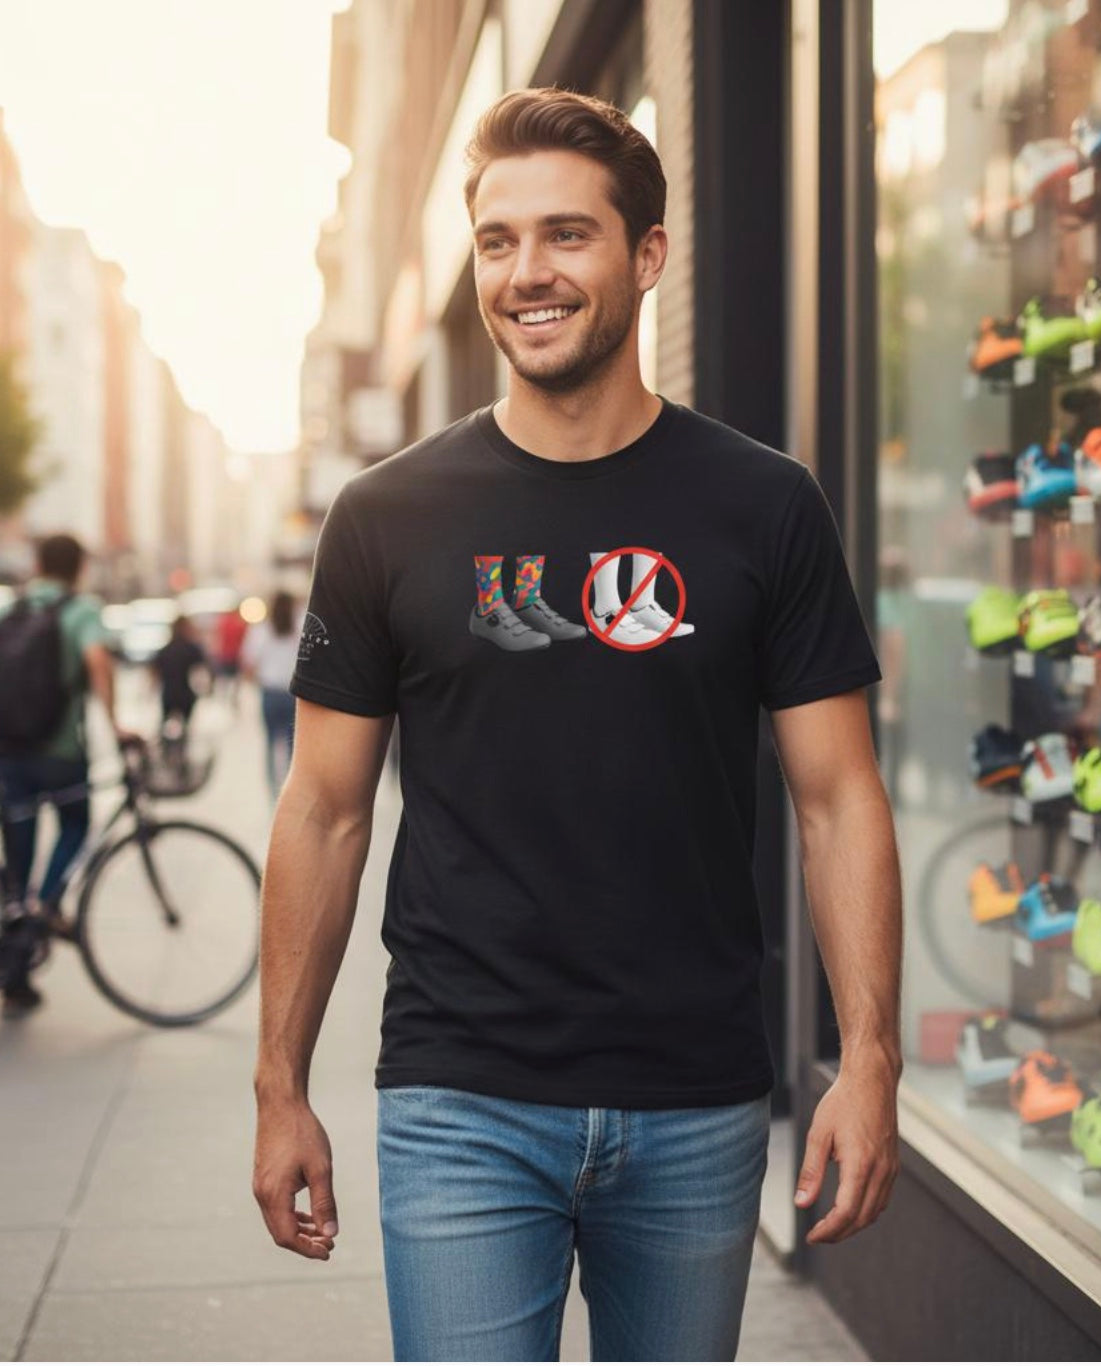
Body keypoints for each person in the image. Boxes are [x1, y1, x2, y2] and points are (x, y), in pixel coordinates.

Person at [252, 88, 904, 1362]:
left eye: (566, 236)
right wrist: (280, 1086)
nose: (525, 273)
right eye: (498, 241)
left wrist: (869, 1057)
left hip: (698, 1098)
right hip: (461, 1096)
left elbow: (839, 797)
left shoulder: (766, 506)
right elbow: (323, 811)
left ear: (648, 255)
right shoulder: (387, 517)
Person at [0, 533, 132, 1018]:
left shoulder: (11, 609)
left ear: (36, 563)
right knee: (76, 822)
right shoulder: (79, 610)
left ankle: (17, 961)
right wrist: (115, 725)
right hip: (59, 751)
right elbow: (97, 658)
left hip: (9, 751)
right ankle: (45, 909)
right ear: (79, 568)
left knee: (18, 853)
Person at [241, 591, 300, 798]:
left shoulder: (260, 630)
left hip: (270, 693)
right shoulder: (300, 626)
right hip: (295, 694)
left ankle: (274, 792)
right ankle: (293, 792)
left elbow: (248, 665)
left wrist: (260, 680)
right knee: (296, 746)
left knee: (270, 742)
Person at [152, 615, 211, 768]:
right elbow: (202, 670)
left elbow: (154, 672)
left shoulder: (165, 649)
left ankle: (166, 752)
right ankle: (181, 753)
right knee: (185, 727)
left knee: (165, 724)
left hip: (168, 694)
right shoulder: (191, 648)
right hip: (186, 695)